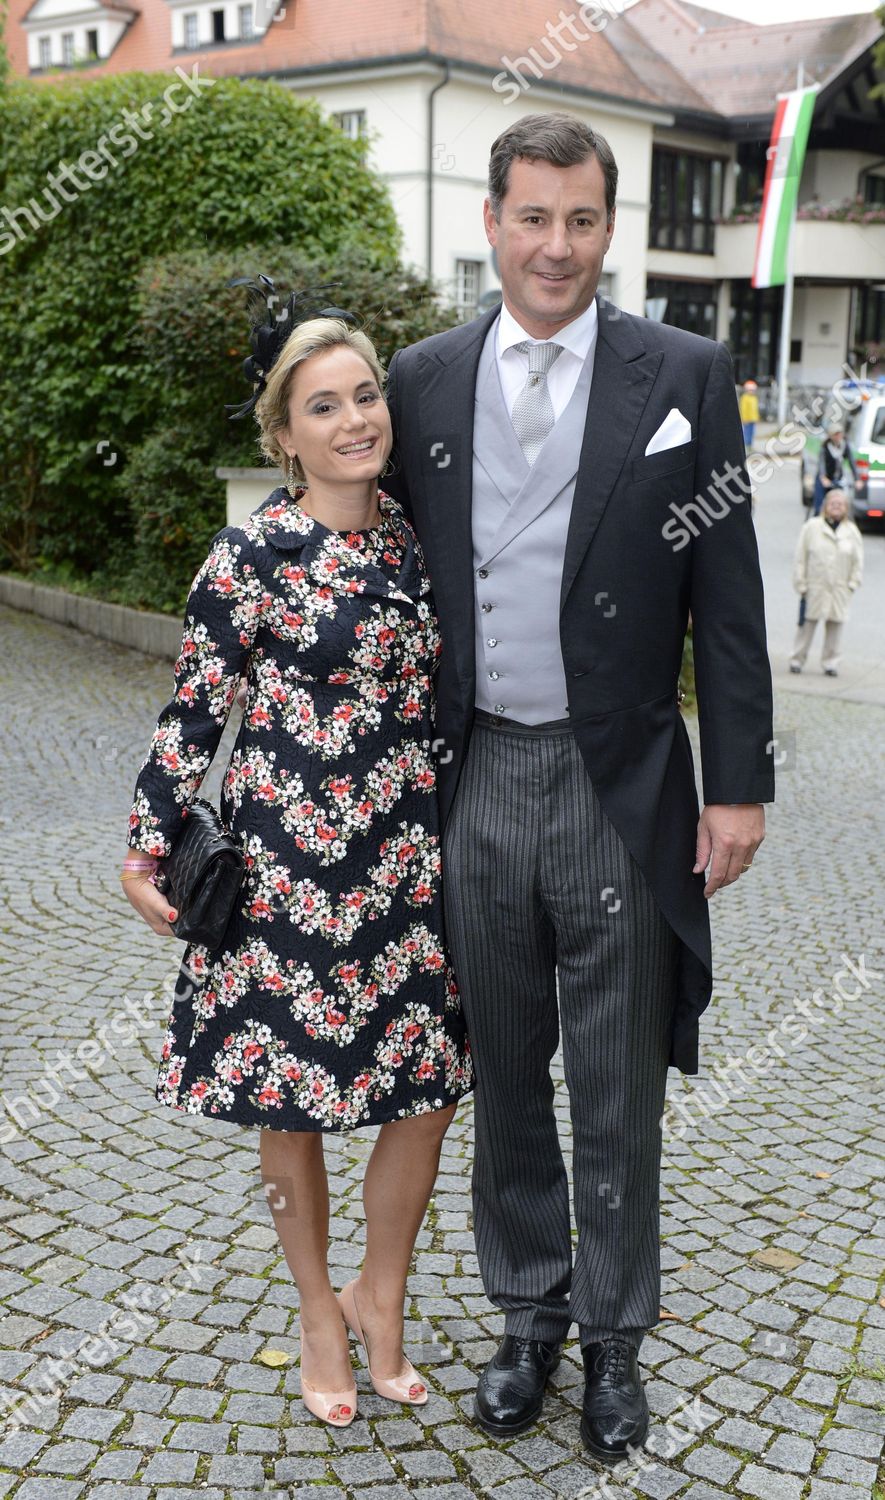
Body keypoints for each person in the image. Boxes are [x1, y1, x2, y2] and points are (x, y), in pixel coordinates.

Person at [382, 113, 774, 1462]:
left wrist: (738, 785)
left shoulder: (684, 370)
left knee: (616, 1082)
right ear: (490, 222)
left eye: (582, 220)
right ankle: (527, 1316)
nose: (556, 246)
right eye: (533, 217)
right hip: (474, 772)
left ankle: (611, 1340)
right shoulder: (421, 380)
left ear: (610, 228)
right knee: (503, 1075)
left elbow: (726, 604)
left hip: (623, 783)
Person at [120, 291, 474, 1429]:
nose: (353, 420)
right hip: (288, 867)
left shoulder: (423, 532)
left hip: (411, 860)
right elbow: (196, 707)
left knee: (427, 1089)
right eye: (323, 406)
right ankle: (320, 1310)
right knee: (295, 1100)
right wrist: (149, 843)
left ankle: (384, 1292)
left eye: (365, 395)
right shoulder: (254, 551)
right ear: (286, 435)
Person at [790, 487, 863, 676]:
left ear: (846, 508)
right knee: (806, 626)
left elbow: (858, 562)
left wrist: (852, 584)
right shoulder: (811, 527)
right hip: (815, 585)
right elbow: (800, 557)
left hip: (839, 588)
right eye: (832, 503)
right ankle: (797, 659)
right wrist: (801, 583)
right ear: (825, 506)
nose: (836, 507)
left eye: (840, 504)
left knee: (835, 629)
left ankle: (831, 662)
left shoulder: (852, 531)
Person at [812, 420, 856, 516]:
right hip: (824, 478)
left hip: (838, 479)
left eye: (839, 434)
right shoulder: (825, 447)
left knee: (842, 504)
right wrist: (823, 478)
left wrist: (857, 479)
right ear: (831, 436)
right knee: (819, 506)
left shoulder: (845, 446)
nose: (838, 436)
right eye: (835, 434)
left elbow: (852, 463)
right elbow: (821, 464)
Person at [739, 378, 759, 450]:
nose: (752, 391)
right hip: (747, 419)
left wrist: (757, 418)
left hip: (753, 419)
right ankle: (746, 446)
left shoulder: (754, 398)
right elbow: (743, 409)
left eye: (753, 390)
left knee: (751, 433)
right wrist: (744, 418)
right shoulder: (745, 398)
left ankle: (750, 445)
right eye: (751, 390)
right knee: (747, 433)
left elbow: (755, 409)